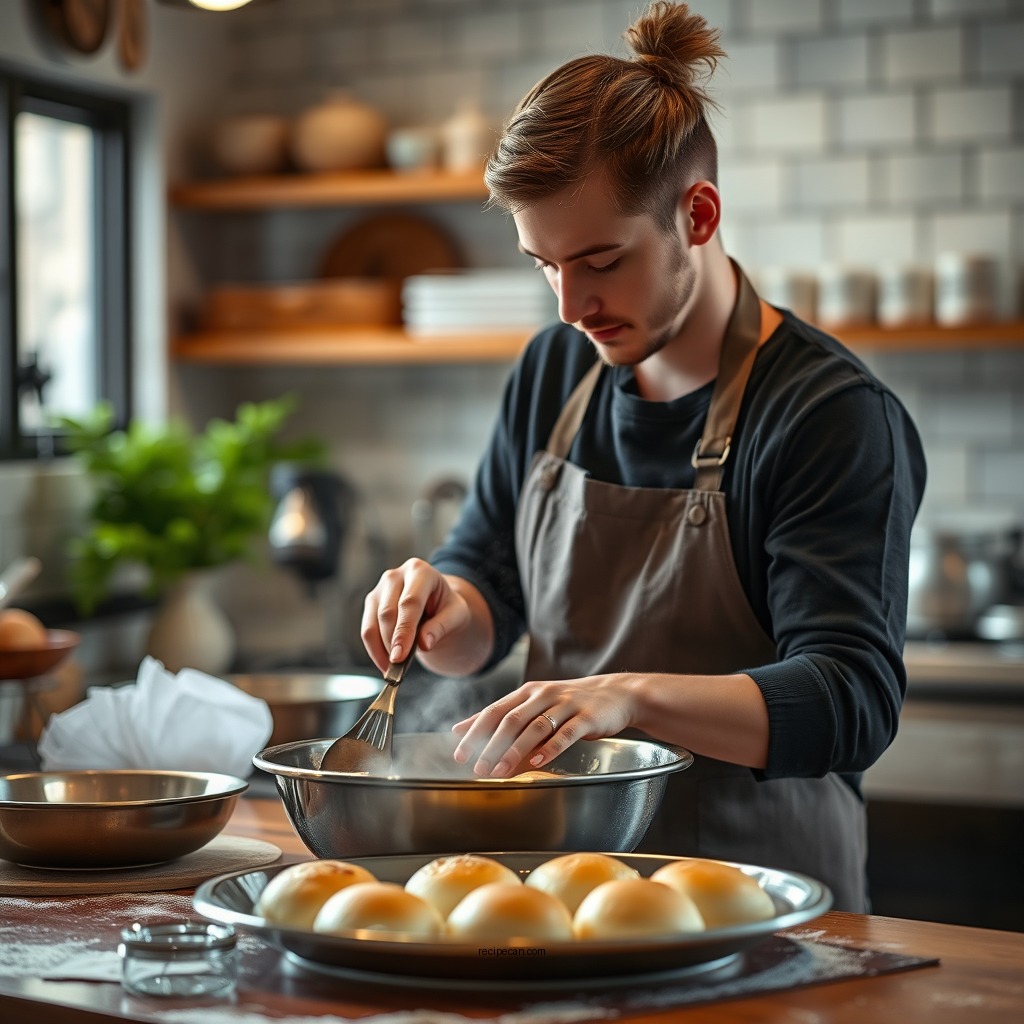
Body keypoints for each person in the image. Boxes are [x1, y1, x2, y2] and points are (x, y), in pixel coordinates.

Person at [360, 0, 926, 912]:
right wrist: (439, 609)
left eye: (601, 260)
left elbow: (848, 698)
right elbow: (488, 590)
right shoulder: (555, 369)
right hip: (564, 894)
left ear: (697, 215)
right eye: (544, 265)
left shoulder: (827, 414)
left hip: (765, 906)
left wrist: (630, 698)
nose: (569, 306)